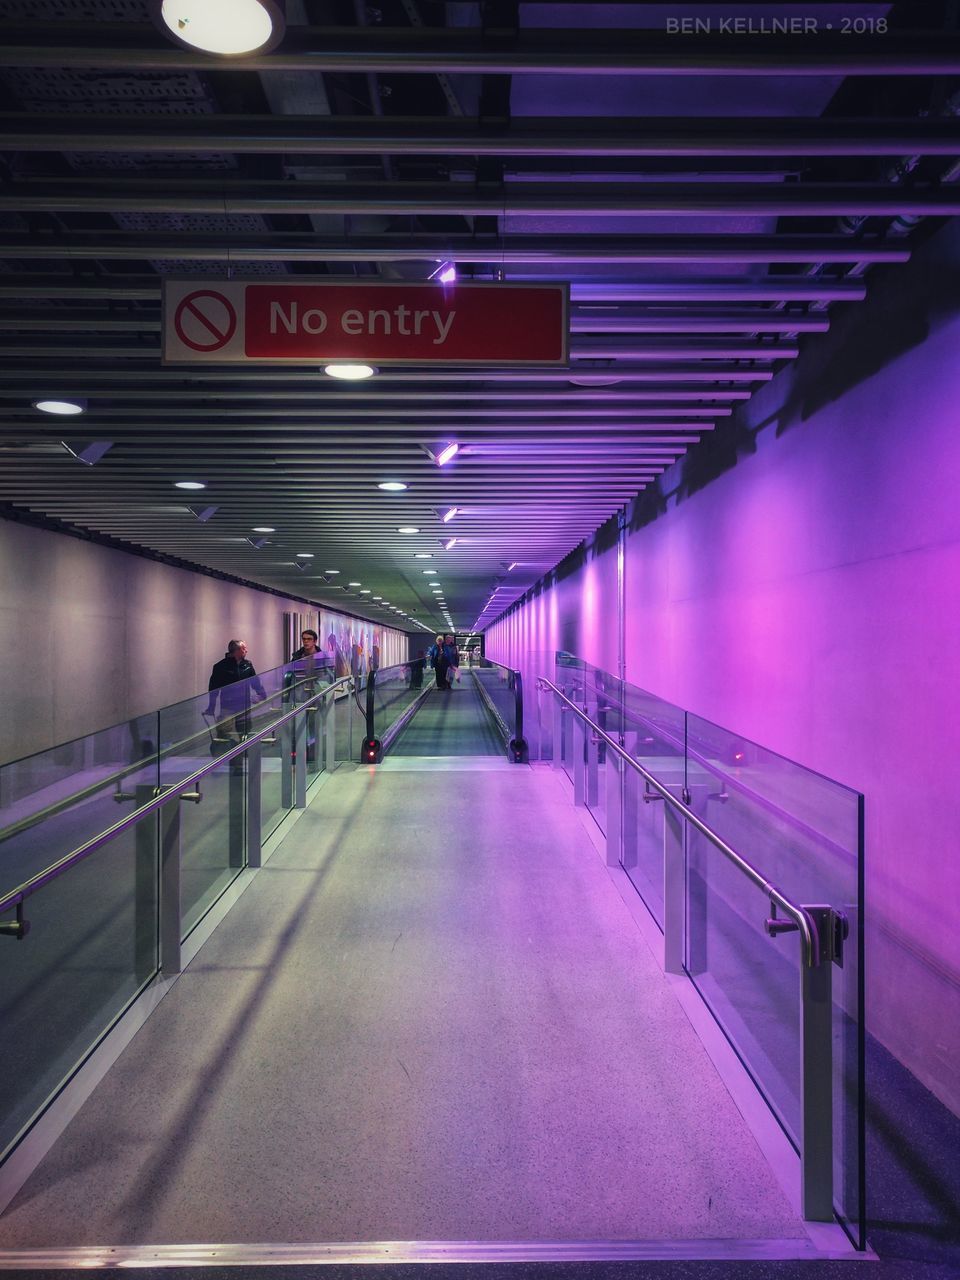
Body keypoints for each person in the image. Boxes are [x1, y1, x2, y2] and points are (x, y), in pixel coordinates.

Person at [205, 639, 267, 737]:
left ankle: (243, 752)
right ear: (236, 651)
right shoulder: (220, 667)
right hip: (227, 706)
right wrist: (211, 706)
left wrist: (262, 695)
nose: (246, 650)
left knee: (245, 733)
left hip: (244, 706)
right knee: (224, 733)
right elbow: (214, 689)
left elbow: (255, 682)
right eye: (244, 648)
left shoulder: (247, 665)